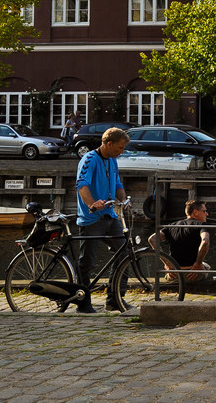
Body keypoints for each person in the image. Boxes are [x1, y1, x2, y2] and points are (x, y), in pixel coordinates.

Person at [75, 126, 130, 313]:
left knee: (124, 253)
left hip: (110, 215)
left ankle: (114, 299)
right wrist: (91, 204)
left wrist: (123, 199)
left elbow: (117, 184)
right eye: (120, 148)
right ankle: (82, 303)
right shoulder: (89, 159)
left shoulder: (112, 161)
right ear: (109, 144)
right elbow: (82, 184)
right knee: (87, 262)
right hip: (92, 218)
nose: (122, 152)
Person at [148, 199, 210, 282]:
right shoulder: (202, 225)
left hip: (174, 275)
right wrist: (198, 264)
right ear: (195, 212)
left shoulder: (172, 225)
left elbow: (152, 239)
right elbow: (205, 241)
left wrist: (167, 263)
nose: (207, 214)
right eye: (204, 211)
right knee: (207, 266)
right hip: (193, 275)